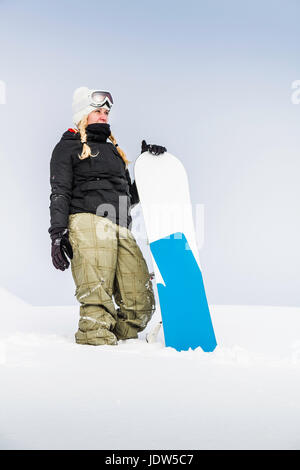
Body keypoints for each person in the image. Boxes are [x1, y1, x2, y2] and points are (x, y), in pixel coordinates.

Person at [48, 87, 167, 346]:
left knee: (139, 302)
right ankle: (96, 349)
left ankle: (121, 348)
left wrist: (148, 166)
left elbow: (127, 197)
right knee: (97, 297)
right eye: (97, 111)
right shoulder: (67, 147)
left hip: (119, 224)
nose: (104, 116)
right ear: (83, 115)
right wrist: (58, 234)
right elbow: (60, 192)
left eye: (106, 112)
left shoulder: (114, 153)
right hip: (87, 220)